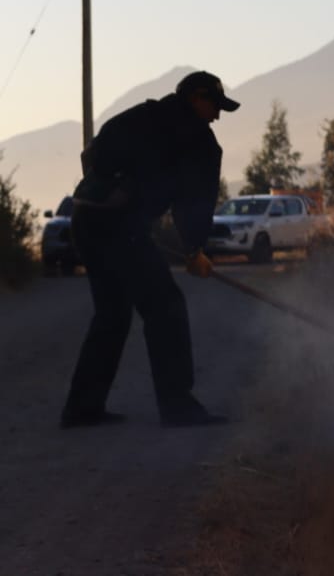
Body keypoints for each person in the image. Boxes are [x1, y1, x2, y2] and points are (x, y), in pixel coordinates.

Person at [60, 70, 239, 429]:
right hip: (120, 230)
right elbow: (195, 202)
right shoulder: (198, 141)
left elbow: (90, 156)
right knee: (166, 307)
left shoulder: (136, 117)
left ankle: (82, 408)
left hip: (86, 221)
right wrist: (194, 249)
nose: (217, 115)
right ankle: (179, 408)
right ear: (195, 99)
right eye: (213, 106)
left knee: (112, 314)